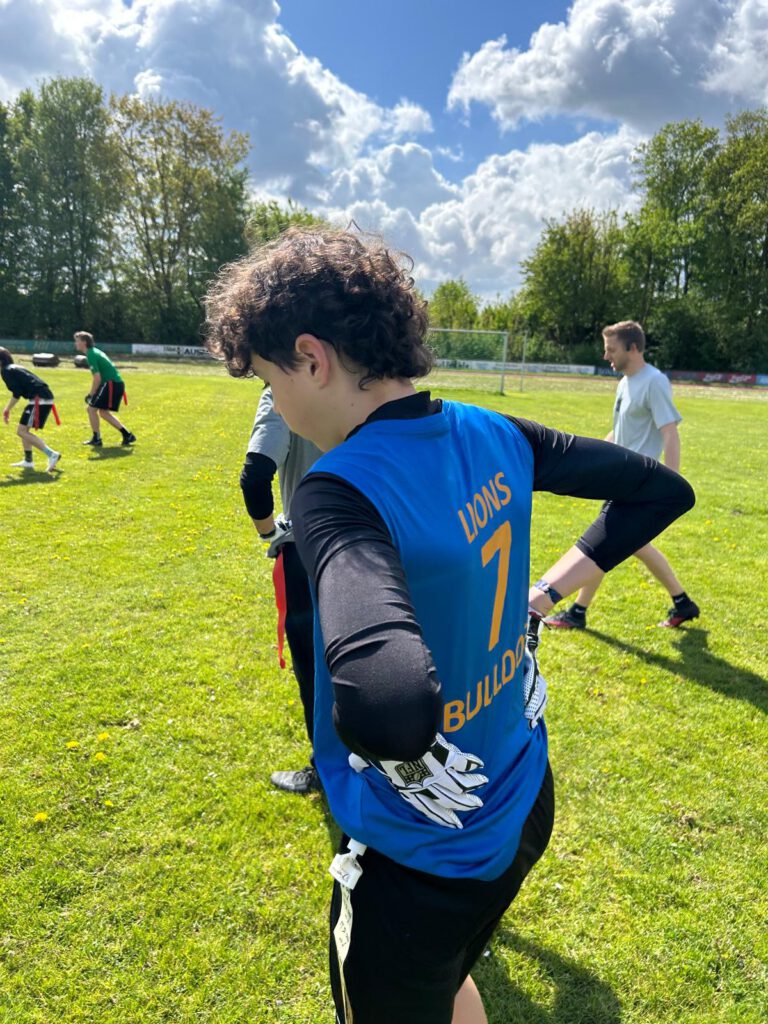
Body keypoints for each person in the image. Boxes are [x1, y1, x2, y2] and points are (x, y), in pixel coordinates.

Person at [204, 228, 695, 1024]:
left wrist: (400, 743)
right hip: (521, 797)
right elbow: (661, 491)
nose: (277, 405)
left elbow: (391, 704)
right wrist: (540, 599)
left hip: (420, 855)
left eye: (268, 379)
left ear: (312, 358)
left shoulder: (338, 487)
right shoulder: (493, 430)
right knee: (449, 977)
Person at [545, 320, 700, 631]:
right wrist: (593, 458)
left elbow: (670, 432)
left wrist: (670, 485)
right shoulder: (625, 382)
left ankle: (577, 611)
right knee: (620, 545)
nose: (606, 356)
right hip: (620, 478)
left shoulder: (654, 381)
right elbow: (620, 431)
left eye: (611, 349)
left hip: (639, 484)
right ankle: (683, 602)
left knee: (603, 546)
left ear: (633, 348)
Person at [241, 386, 322, 793]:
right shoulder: (371, 375)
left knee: (315, 667)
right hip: (380, 541)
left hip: (310, 549)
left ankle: (327, 769)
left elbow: (255, 476)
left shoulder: (283, 389)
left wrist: (269, 532)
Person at [1, 347, 61, 472]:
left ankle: (52, 454)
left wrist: (7, 409)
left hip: (39, 400)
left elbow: (17, 392)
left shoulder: (6, 371)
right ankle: (28, 461)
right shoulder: (14, 367)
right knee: (24, 430)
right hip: (42, 398)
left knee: (21, 431)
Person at [73, 331, 136, 447]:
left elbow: (97, 378)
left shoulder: (91, 354)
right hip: (114, 384)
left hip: (111, 384)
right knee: (103, 412)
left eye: (77, 341)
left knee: (91, 409)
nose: (75, 343)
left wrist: (91, 394)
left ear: (84, 342)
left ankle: (97, 439)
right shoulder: (94, 351)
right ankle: (127, 435)